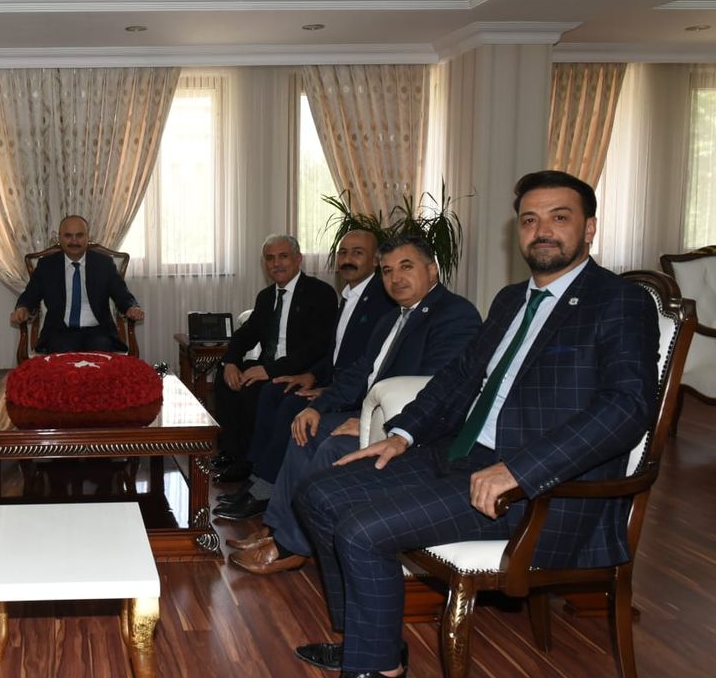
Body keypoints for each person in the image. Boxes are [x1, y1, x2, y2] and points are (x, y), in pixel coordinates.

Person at [293, 170, 658, 678]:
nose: (542, 231)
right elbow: (459, 377)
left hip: (541, 490)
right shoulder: (511, 300)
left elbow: (626, 408)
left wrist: (520, 470)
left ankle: (376, 668)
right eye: (529, 220)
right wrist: (401, 435)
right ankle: (368, 642)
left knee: (361, 530)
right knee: (317, 494)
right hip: (462, 455)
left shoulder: (619, 301)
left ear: (589, 228)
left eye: (559, 217)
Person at [228, 235, 480, 570]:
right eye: (387, 270)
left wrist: (372, 424)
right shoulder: (392, 317)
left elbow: (438, 390)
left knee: (330, 444)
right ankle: (277, 529)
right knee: (303, 426)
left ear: (432, 270)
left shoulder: (454, 314)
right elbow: (358, 373)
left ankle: (291, 546)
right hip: (375, 415)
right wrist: (316, 407)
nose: (395, 278)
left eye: (406, 267)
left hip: (413, 431)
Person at [214, 229, 394, 520]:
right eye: (343, 253)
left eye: (357, 253)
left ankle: (263, 488)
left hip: (344, 388)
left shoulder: (371, 300)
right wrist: (230, 361)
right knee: (251, 389)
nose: (347, 259)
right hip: (317, 376)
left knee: (285, 401)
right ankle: (253, 473)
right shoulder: (348, 296)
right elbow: (333, 351)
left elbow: (326, 350)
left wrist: (317, 382)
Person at [209, 234, 338, 484]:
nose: (276, 264)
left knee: (252, 390)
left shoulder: (320, 293)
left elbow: (316, 347)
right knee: (225, 381)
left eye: (283, 256)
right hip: (269, 364)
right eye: (270, 258)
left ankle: (249, 463)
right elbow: (247, 333)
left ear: (298, 259)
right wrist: (230, 361)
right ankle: (232, 452)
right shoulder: (266, 296)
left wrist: (269, 371)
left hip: (300, 371)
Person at [10, 214, 145, 353]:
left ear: (87, 237)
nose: (74, 241)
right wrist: (22, 308)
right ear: (59, 238)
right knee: (63, 354)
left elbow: (122, 294)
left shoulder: (104, 264)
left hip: (98, 331)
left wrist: (131, 307)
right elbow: (30, 295)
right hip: (60, 332)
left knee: (100, 353)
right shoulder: (47, 265)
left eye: (79, 235)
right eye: (68, 235)